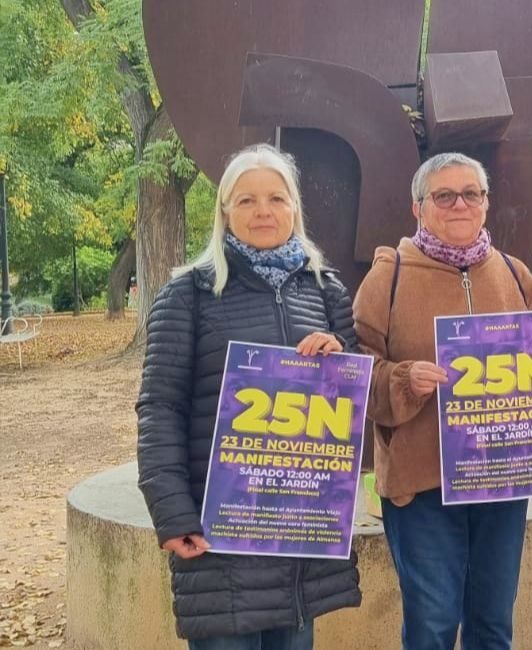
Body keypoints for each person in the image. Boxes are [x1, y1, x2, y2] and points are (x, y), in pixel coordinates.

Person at [136, 143, 361, 649]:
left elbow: (352, 408)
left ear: (295, 209)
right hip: (219, 538)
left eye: (277, 198)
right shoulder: (187, 294)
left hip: (299, 538)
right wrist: (172, 514)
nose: (263, 211)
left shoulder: (326, 291)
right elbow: (160, 410)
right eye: (247, 200)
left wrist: (339, 359)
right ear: (224, 211)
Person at [352, 152, 532, 650]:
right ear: (419, 208)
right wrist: (404, 380)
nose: (459, 204)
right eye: (444, 195)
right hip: (421, 486)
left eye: (471, 193)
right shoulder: (389, 276)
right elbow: (354, 371)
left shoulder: (514, 273)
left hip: (501, 483)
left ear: (486, 204)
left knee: (493, 624)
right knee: (432, 625)